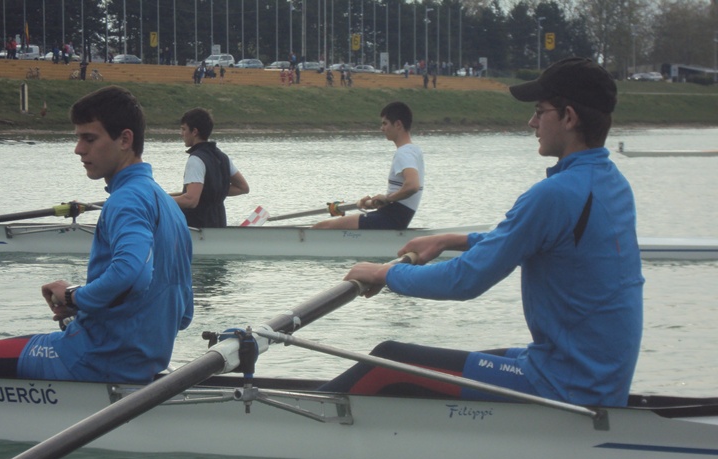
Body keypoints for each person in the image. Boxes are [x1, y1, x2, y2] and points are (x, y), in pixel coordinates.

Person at [321, 57, 643, 408]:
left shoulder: (555, 194)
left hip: (564, 384)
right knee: (442, 367)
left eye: (540, 111)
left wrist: (383, 273)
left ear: (569, 117)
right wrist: (451, 239)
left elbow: (465, 280)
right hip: (595, 376)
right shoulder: (611, 182)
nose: (532, 122)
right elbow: (523, 240)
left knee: (388, 360)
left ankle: (293, 418)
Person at [0, 86, 194, 384]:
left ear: (125, 139)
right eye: (78, 138)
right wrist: (86, 306)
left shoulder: (126, 200)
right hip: (142, 365)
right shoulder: (169, 206)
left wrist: (75, 296)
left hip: (88, 359)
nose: (78, 149)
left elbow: (131, 275)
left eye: (89, 138)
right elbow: (183, 315)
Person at [313, 101, 423, 230]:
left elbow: (413, 186)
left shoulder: (404, 153)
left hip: (390, 218)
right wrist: (375, 202)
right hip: (395, 216)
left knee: (322, 227)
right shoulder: (414, 150)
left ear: (398, 124)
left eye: (385, 123)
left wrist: (387, 199)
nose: (382, 128)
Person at [169, 107, 250, 228]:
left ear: (194, 132)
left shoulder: (196, 160)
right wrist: (208, 192)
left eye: (184, 129)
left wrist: (161, 200)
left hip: (198, 230)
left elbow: (191, 200)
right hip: (219, 228)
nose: (181, 134)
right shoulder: (223, 157)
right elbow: (242, 187)